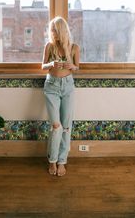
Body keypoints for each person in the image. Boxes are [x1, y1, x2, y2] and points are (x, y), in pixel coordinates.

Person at [42, 16, 80, 176]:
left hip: (68, 87)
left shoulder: (73, 48)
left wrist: (72, 65)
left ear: (62, 31)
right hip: (51, 87)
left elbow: (77, 68)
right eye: (52, 31)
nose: (53, 34)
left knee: (65, 126)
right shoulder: (49, 47)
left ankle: (62, 162)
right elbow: (43, 66)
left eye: (55, 31)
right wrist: (51, 64)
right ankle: (52, 161)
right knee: (56, 126)